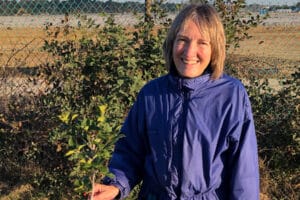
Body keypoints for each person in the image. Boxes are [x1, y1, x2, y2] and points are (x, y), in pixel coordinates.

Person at [91, 3, 260, 200]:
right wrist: (116, 185)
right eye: (183, 40)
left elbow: (244, 171)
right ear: (171, 43)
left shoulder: (231, 96)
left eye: (202, 43)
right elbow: (129, 152)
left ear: (215, 49)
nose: (189, 52)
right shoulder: (151, 94)